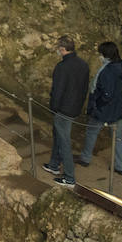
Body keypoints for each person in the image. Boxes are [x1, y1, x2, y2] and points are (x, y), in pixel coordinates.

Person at [77, 42, 122, 175]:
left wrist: (97, 105)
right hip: (120, 108)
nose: (99, 56)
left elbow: (106, 93)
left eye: (100, 54)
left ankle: (85, 158)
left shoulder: (107, 71)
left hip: (104, 110)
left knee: (91, 132)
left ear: (106, 55)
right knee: (117, 137)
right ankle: (120, 166)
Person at [43, 36, 89, 187]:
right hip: (75, 108)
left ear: (62, 49)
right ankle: (54, 165)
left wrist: (54, 107)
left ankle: (69, 177)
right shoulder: (83, 65)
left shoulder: (62, 67)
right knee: (59, 135)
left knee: (64, 141)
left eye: (58, 48)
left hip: (63, 109)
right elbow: (84, 89)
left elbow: (58, 90)